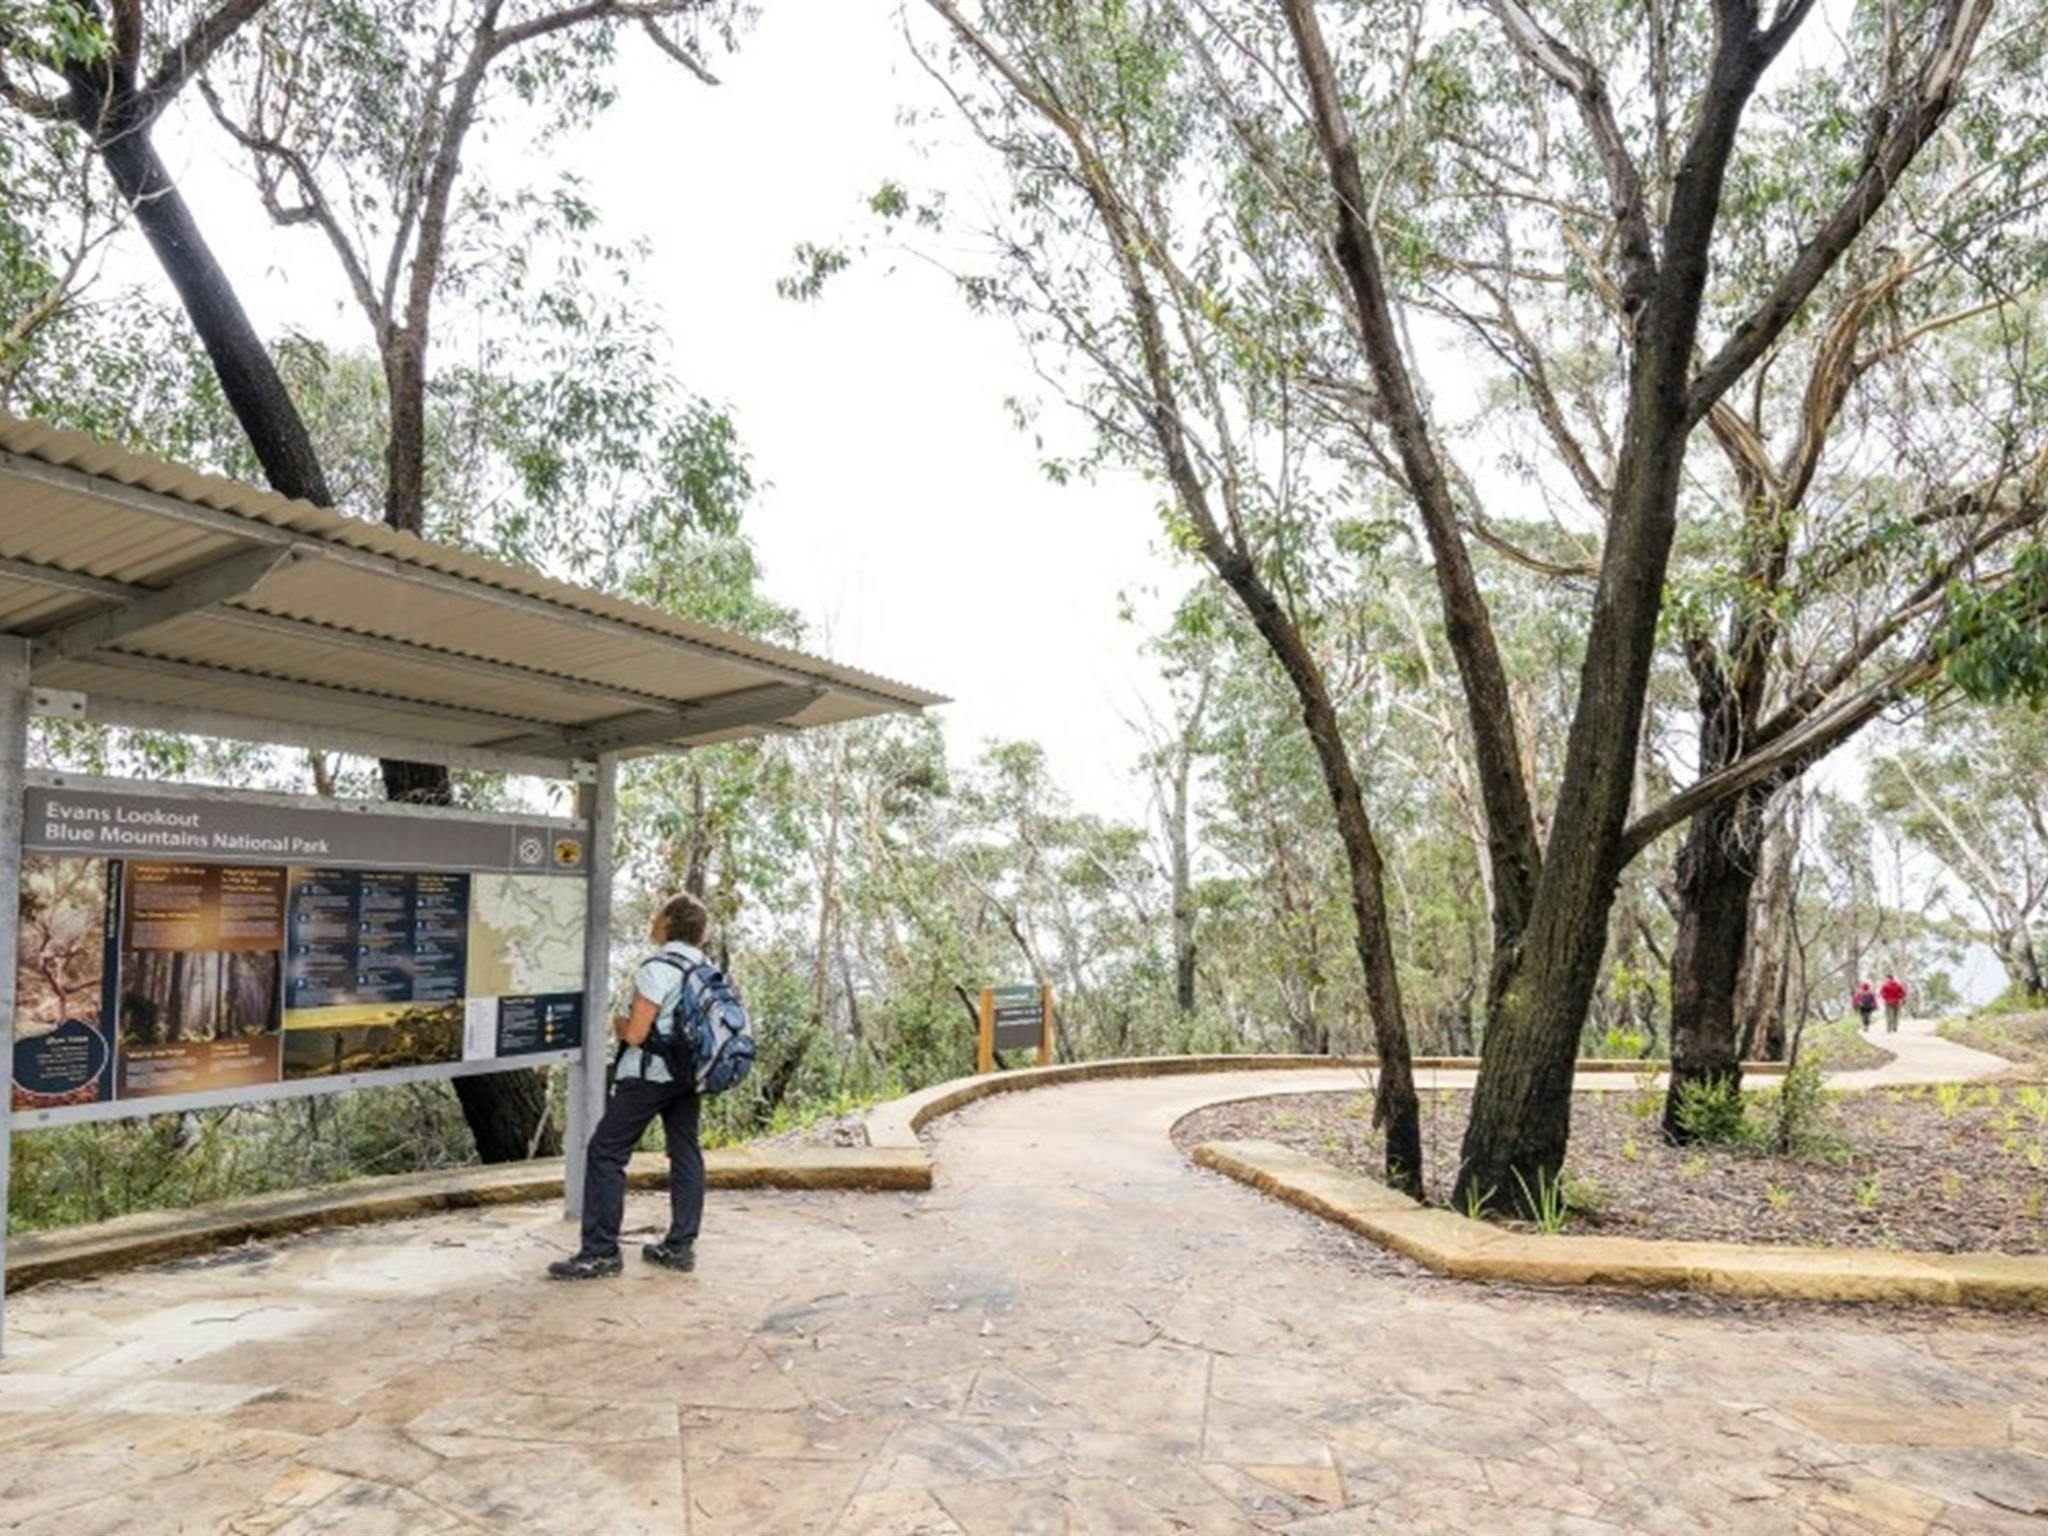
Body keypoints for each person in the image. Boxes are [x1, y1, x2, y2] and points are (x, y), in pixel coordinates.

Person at [548, 892, 713, 1281]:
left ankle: (601, 1252)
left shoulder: (659, 966)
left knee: (606, 1152)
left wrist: (620, 1025)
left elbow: (638, 1034)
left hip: (648, 1076)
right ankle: (679, 1247)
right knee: (686, 1151)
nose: (652, 920)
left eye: (658, 914)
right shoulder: (704, 966)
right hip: (687, 1077)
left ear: (670, 921)